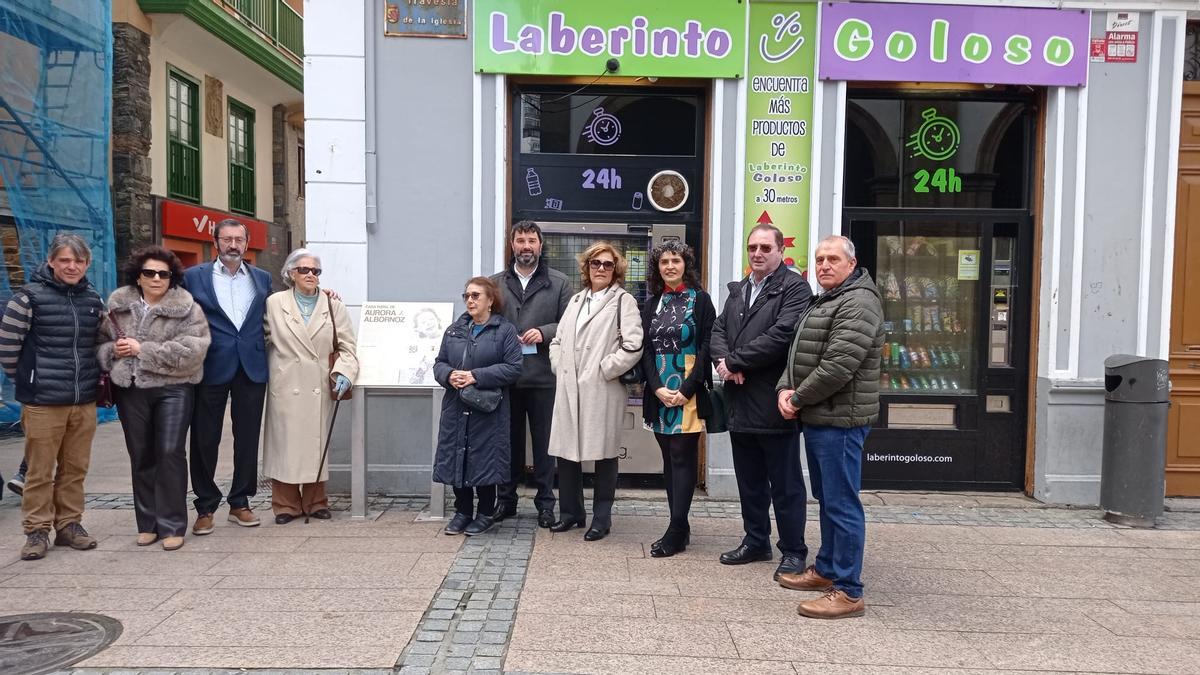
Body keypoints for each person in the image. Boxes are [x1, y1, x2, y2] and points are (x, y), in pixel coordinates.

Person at [776, 235, 883, 619]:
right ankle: (826, 569)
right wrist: (784, 388)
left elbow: (838, 365)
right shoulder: (828, 298)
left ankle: (849, 591)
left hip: (841, 420)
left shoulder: (859, 302)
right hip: (821, 416)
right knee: (828, 498)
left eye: (833, 259)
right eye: (820, 259)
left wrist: (797, 399)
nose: (824, 265)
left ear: (851, 264)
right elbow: (797, 352)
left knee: (842, 503)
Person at [710, 223, 813, 580]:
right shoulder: (739, 290)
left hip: (773, 402)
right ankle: (756, 541)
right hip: (739, 400)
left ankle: (794, 550)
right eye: (752, 247)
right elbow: (718, 331)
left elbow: (782, 335)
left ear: (781, 251)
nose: (757, 253)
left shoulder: (795, 288)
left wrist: (735, 362)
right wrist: (725, 363)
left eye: (765, 248)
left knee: (785, 484)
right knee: (750, 481)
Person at [97, 246, 211, 551]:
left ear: (172, 278)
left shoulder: (188, 309)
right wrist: (113, 351)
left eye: (164, 273)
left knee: (171, 452)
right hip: (131, 389)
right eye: (150, 272)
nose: (157, 278)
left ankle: (173, 524)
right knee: (141, 454)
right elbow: (99, 346)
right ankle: (147, 523)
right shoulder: (118, 307)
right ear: (138, 276)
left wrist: (142, 350)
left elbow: (194, 351)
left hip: (174, 389)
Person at [0, 234, 106, 560]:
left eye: (78, 261)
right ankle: (36, 531)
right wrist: (27, 380)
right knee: (39, 471)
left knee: (75, 469)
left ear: (86, 264)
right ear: (51, 262)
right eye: (65, 260)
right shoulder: (27, 298)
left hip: (83, 399)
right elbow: (7, 348)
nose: (72, 266)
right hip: (43, 401)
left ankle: (69, 525)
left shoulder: (93, 299)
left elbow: (99, 343)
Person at [181, 218, 273, 534]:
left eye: (239, 240)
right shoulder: (193, 277)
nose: (233, 245)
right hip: (210, 365)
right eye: (227, 239)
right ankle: (205, 506)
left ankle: (240, 502)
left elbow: (275, 313)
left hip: (251, 365)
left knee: (247, 438)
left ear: (247, 244)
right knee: (204, 438)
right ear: (215, 242)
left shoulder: (262, 278)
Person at [548, 242, 643, 542]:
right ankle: (570, 513)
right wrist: (559, 365)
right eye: (595, 263)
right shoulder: (576, 300)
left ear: (616, 270)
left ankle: (602, 518)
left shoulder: (623, 301)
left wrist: (605, 369)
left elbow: (634, 345)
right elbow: (557, 340)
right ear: (586, 267)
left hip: (602, 388)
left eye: (607, 264)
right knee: (566, 453)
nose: (601, 269)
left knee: (604, 454)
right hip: (568, 387)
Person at [261, 249, 359, 524]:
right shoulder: (274, 303)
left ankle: (316, 502)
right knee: (285, 445)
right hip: (286, 384)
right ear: (291, 273)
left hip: (317, 384)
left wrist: (344, 373)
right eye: (304, 270)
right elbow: (262, 340)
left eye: (316, 271)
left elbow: (347, 347)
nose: (310, 275)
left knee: (315, 444)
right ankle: (285, 505)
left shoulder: (333, 306)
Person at [489, 220, 572, 528]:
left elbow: (569, 324)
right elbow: (485, 319)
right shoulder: (495, 283)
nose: (526, 246)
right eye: (520, 240)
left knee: (544, 446)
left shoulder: (559, 282)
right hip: (506, 378)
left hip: (544, 377)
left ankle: (546, 504)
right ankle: (506, 500)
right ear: (512, 245)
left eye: (531, 241)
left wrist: (544, 332)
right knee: (506, 443)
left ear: (540, 245)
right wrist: (503, 334)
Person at [639, 241, 715, 558]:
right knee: (669, 459)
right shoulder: (652, 303)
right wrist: (656, 387)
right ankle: (680, 527)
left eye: (676, 260)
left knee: (683, 457)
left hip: (688, 389)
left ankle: (676, 528)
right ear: (657, 268)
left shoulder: (701, 300)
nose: (670, 266)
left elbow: (707, 346)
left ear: (686, 265)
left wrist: (687, 388)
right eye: (664, 262)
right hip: (659, 390)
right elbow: (645, 349)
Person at [433, 277, 522, 536]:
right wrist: (449, 375)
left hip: (488, 409)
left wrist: (475, 376)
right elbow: (439, 363)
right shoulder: (454, 330)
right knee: (457, 456)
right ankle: (462, 512)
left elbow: (514, 368)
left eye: (476, 296)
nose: (470, 301)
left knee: (485, 459)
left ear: (490, 300)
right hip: (456, 406)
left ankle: (485, 513)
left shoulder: (504, 331)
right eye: (467, 296)